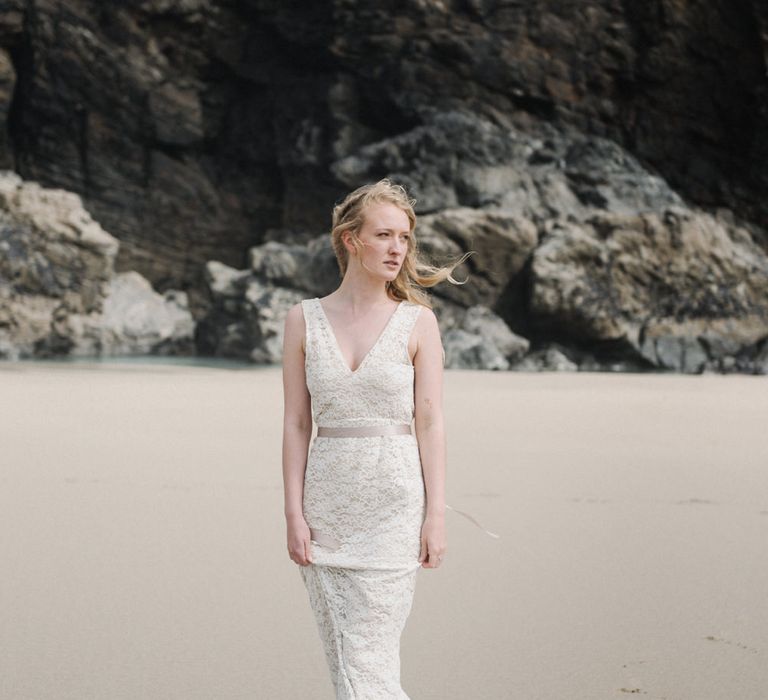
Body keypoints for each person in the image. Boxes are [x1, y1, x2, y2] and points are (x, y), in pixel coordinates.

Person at [281, 178, 471, 698]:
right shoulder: (303, 320)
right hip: (326, 511)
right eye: (384, 235)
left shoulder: (418, 322)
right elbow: (297, 423)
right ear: (351, 239)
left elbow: (431, 424)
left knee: (371, 658)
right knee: (346, 660)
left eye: (405, 237)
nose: (397, 248)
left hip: (395, 507)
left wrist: (436, 516)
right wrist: (294, 515)